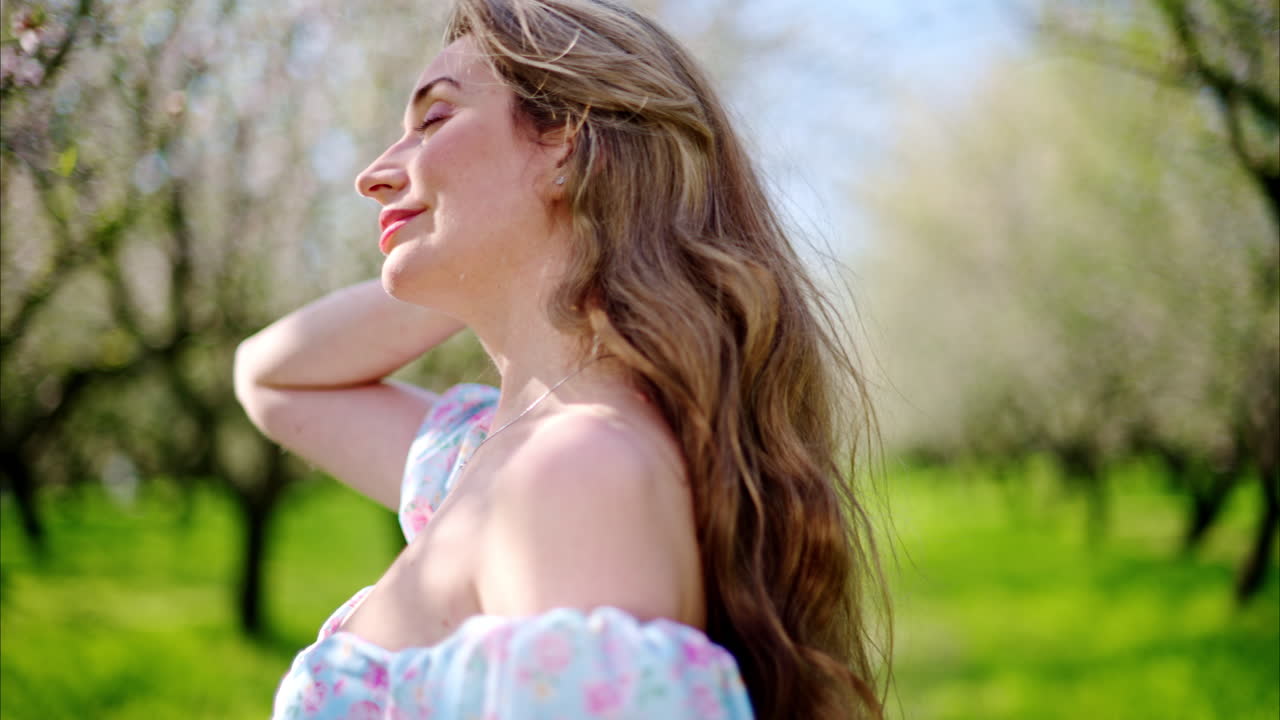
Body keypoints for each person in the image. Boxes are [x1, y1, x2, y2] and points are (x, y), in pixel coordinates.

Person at [234, 0, 890, 718]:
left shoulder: (575, 472)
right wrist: (480, 260)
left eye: (434, 120)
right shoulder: (486, 455)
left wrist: (492, 249)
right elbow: (272, 379)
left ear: (567, 144)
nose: (373, 175)